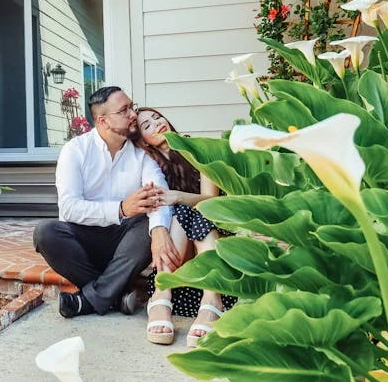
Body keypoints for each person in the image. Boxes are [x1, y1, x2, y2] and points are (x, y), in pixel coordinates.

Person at [33, 87, 181, 321]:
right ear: (103, 120)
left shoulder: (141, 154)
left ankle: (87, 300)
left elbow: (158, 196)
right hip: (86, 241)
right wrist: (121, 208)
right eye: (124, 110)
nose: (133, 114)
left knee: (148, 223)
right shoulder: (75, 150)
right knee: (46, 233)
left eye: (132, 106)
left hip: (127, 243)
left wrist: (161, 231)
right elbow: (69, 208)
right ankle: (116, 293)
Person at [131, 107, 237, 347]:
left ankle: (209, 297)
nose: (157, 123)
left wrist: (178, 196)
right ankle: (165, 292)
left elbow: (212, 202)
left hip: (215, 235)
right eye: (146, 125)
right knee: (179, 213)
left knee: (193, 210)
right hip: (181, 259)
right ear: (142, 140)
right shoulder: (150, 166)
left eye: (157, 117)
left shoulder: (195, 149)